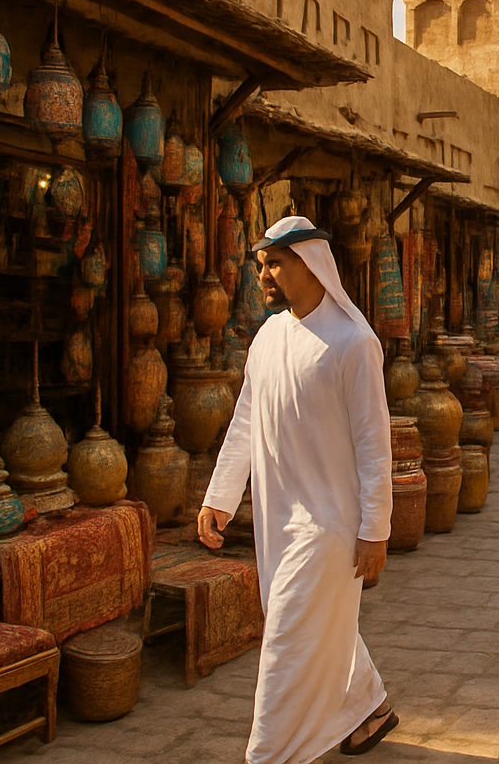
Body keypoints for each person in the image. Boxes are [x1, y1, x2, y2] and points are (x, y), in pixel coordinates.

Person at [199, 215, 397, 762]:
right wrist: (220, 495)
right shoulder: (268, 336)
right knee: (318, 626)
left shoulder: (354, 343)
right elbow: (246, 418)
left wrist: (375, 531)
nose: (264, 275)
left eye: (275, 264)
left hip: (330, 529)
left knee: (287, 641)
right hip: (277, 519)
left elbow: (374, 447)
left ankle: (271, 754)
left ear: (310, 265)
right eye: (261, 265)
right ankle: (370, 707)